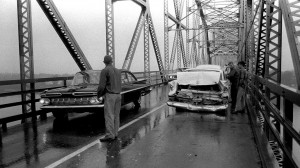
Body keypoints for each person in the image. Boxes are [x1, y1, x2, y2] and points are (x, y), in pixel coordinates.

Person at [97, 55, 122, 142]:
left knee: (109, 115)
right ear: (112, 61)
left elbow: (101, 86)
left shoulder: (105, 70)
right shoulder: (118, 71)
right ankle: (115, 133)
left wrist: (99, 95)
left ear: (104, 62)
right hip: (118, 95)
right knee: (116, 115)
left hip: (110, 95)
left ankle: (109, 135)